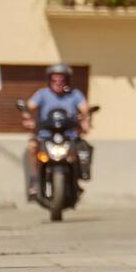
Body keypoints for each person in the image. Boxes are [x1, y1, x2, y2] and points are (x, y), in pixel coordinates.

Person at [17, 64, 90, 202]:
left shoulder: (75, 95)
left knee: (82, 149)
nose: (58, 83)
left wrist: (86, 121)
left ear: (67, 81)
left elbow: (85, 110)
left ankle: (78, 178)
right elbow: (29, 107)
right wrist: (27, 117)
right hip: (45, 135)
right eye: (54, 80)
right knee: (32, 147)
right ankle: (35, 179)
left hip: (69, 136)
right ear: (49, 80)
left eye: (61, 80)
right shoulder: (42, 94)